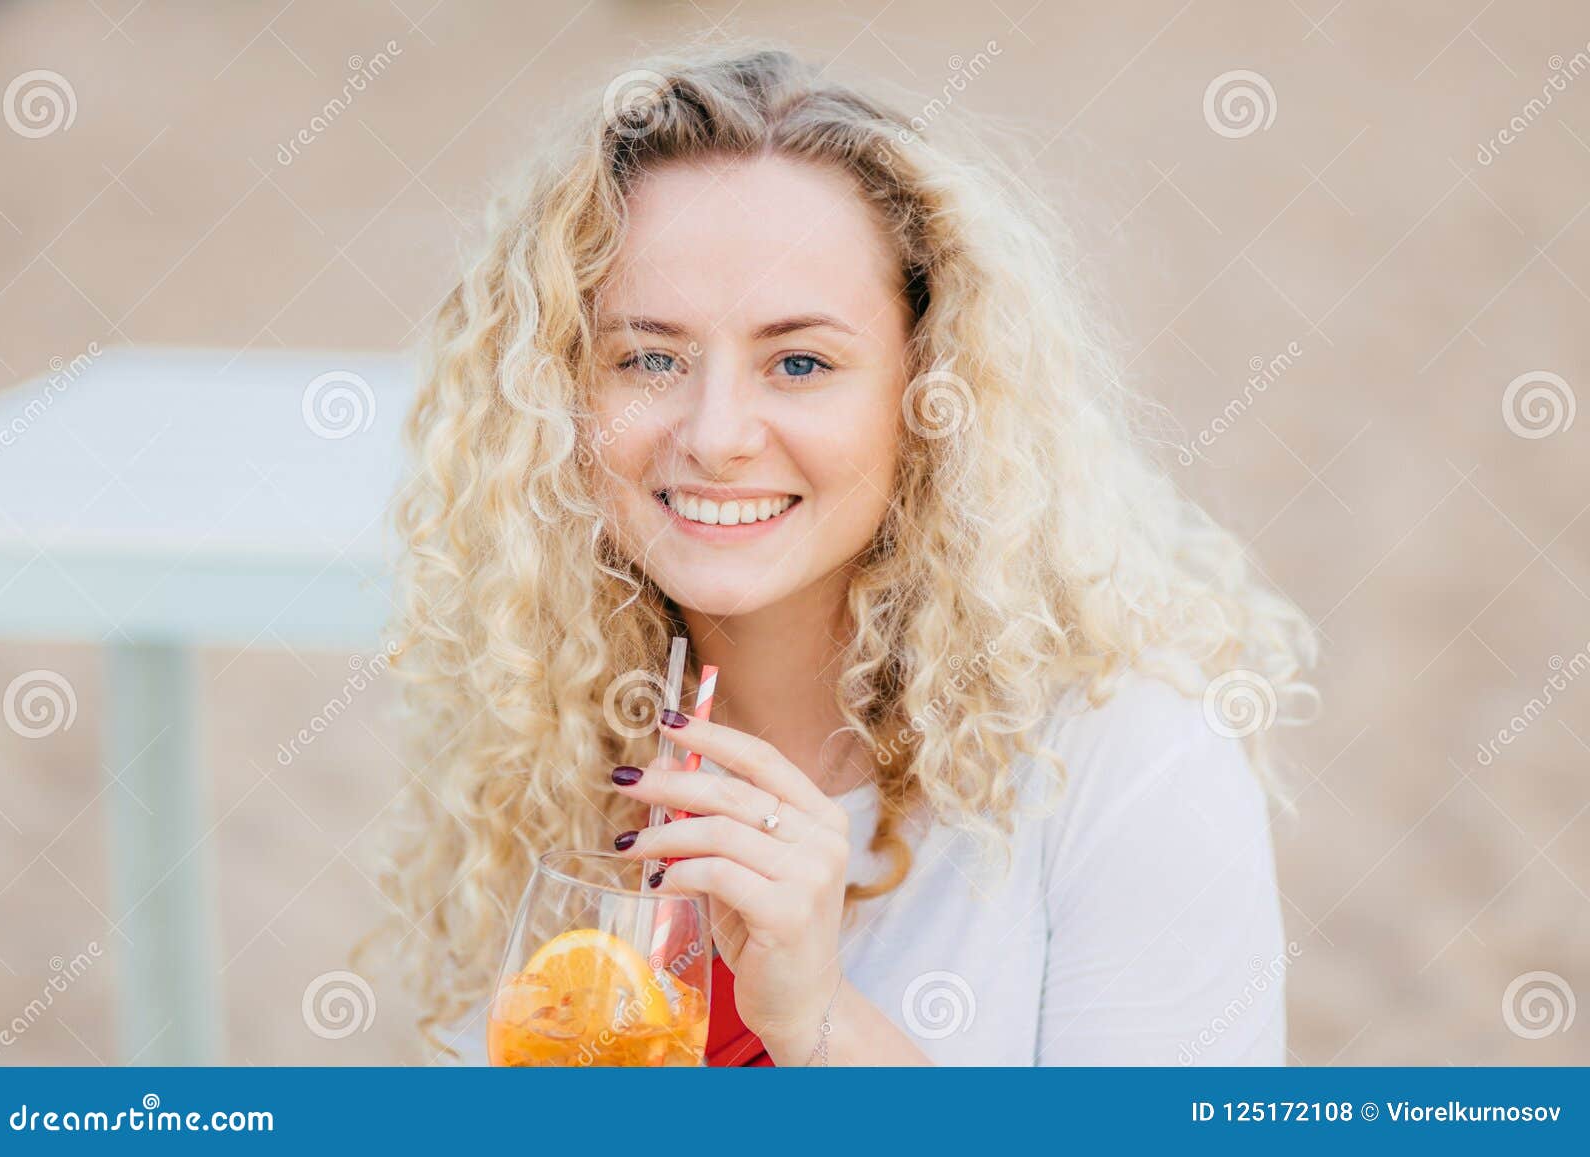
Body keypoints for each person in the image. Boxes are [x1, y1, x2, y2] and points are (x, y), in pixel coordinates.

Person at [367, 41, 1316, 1066]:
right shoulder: (540, 743)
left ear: (926, 391)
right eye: (649, 356)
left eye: (800, 361)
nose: (717, 431)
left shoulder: (1127, 761)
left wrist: (820, 1024)